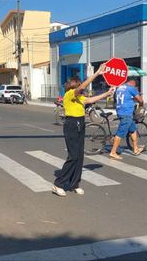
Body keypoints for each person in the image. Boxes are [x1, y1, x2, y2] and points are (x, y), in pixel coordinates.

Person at [53, 64, 115, 197]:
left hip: (80, 123)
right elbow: (82, 87)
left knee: (80, 156)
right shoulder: (69, 94)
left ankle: (74, 183)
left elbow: (90, 99)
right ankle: (58, 183)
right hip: (71, 125)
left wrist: (107, 93)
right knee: (73, 155)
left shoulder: (80, 98)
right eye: (80, 85)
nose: (82, 88)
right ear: (74, 86)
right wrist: (97, 73)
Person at [109, 78, 144, 160]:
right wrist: (141, 105)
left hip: (120, 111)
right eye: (136, 86)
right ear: (134, 83)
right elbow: (140, 100)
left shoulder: (119, 87)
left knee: (132, 129)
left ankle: (135, 148)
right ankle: (113, 152)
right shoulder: (131, 88)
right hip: (126, 113)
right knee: (120, 133)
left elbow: (116, 99)